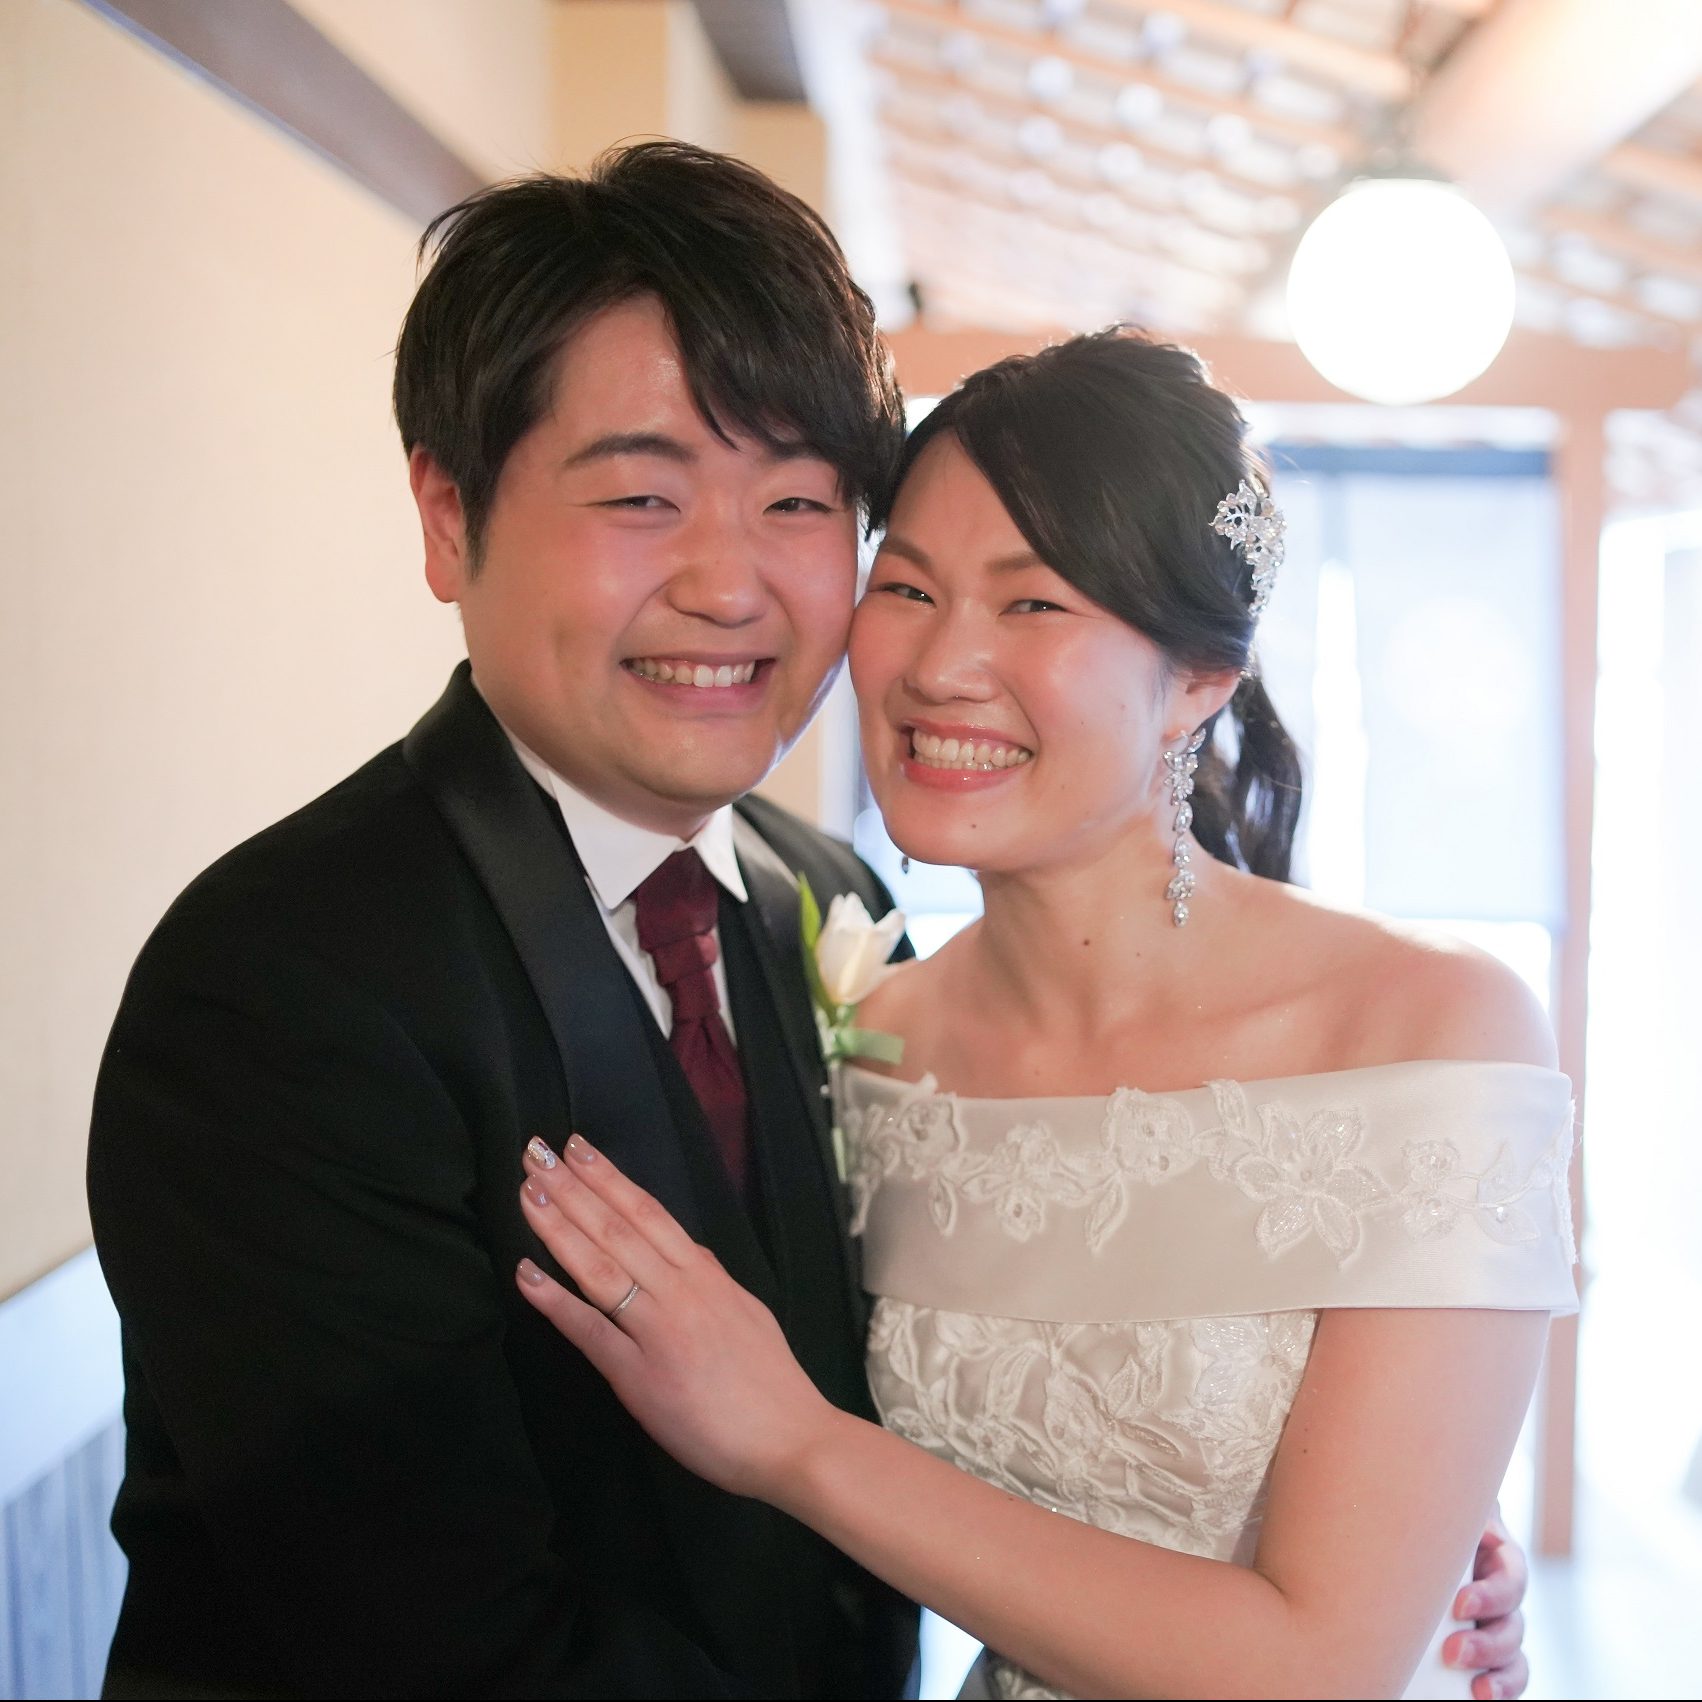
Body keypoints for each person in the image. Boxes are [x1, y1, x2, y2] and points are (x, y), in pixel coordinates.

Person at [508, 330, 1576, 1699]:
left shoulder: (1430, 1029)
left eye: (1033, 603)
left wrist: (796, 1444)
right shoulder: (876, 1039)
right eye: (907, 586)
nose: (942, 664)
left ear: (1200, 679)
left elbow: (1321, 1660)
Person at [87, 143, 917, 1699]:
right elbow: (445, 1643)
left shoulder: (834, 899)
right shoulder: (277, 984)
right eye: (642, 496)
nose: (729, 583)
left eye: (799, 499)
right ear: (447, 514)